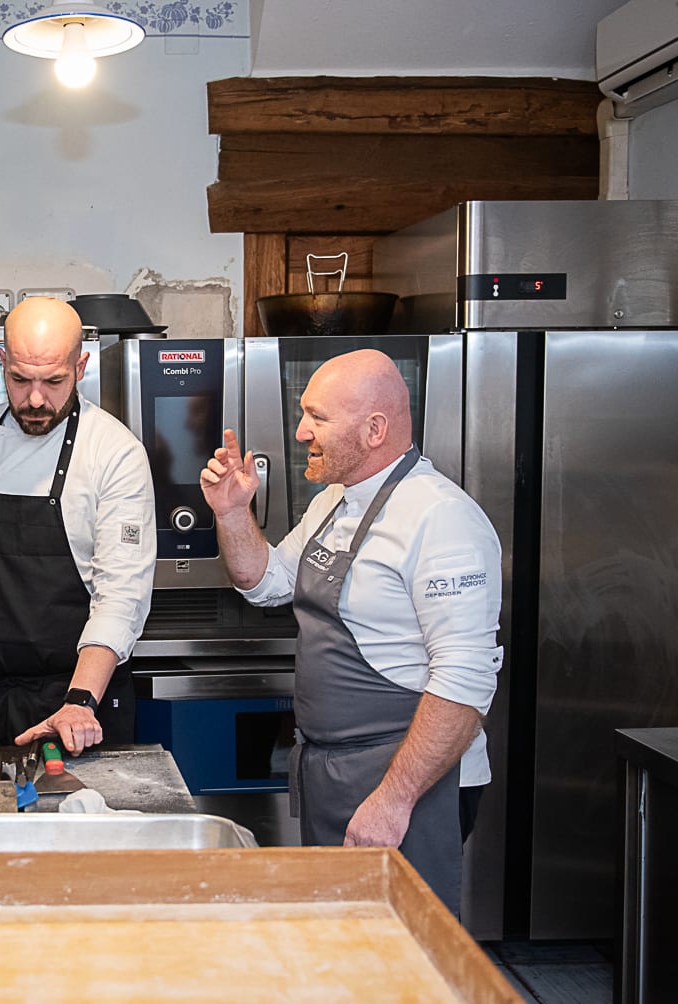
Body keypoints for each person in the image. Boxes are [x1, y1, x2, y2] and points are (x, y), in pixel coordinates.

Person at [199, 348, 501, 914]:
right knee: (346, 940)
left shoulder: (442, 519)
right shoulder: (334, 503)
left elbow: (464, 683)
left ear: (374, 429)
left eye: (317, 417)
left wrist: (392, 799)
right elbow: (262, 583)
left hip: (408, 783)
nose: (299, 431)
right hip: (332, 772)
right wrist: (233, 514)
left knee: (406, 954)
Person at [0, 297, 155, 754]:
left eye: (53, 381)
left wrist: (79, 701)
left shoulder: (114, 453)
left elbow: (121, 595)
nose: (35, 399)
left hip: (75, 703)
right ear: (2, 363)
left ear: (81, 366)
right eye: (19, 379)